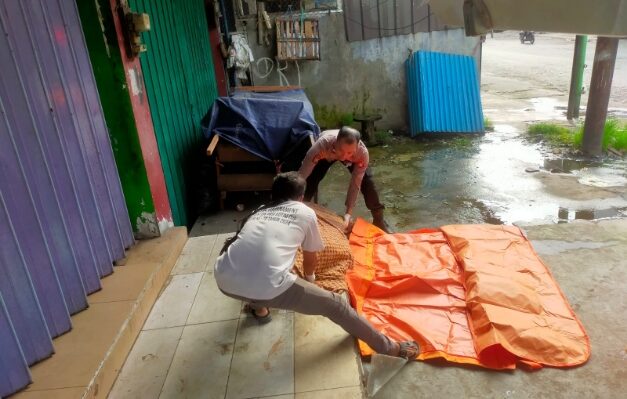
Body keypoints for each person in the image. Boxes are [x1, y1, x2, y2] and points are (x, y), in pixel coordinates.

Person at [214, 172, 418, 359]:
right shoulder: (304, 211)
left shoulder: (258, 211)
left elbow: (242, 242)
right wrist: (311, 282)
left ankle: (259, 310)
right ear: (301, 198)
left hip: (223, 280)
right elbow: (311, 258)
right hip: (267, 286)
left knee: (259, 265)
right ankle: (390, 348)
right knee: (336, 305)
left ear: (273, 194)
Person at [298, 126, 392, 233]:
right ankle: (299, 208)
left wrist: (348, 214)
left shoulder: (362, 153)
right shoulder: (322, 145)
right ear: (336, 142)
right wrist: (294, 198)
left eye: (349, 153)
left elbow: (355, 183)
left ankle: (379, 219)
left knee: (368, 182)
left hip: (351, 157)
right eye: (341, 150)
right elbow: (302, 174)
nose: (343, 157)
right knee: (312, 178)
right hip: (326, 154)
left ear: (357, 148)